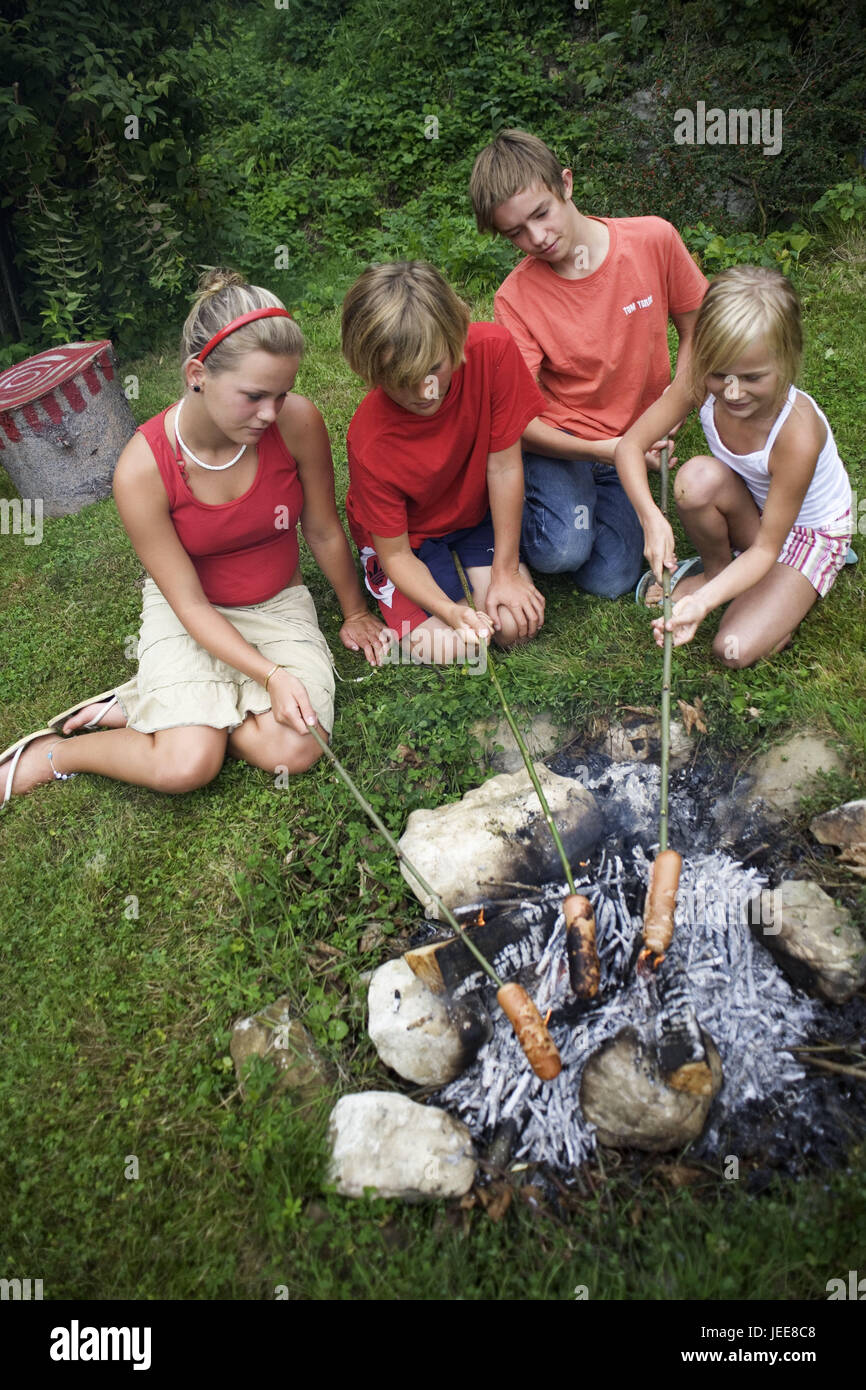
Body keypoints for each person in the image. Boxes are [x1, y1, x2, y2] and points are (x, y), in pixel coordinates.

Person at [1, 269, 386, 805]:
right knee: (187, 765)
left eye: (282, 393)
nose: (270, 413)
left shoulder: (297, 424)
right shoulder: (142, 469)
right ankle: (56, 751)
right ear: (197, 373)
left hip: (277, 604)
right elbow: (186, 602)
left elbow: (321, 528)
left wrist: (354, 611)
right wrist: (270, 675)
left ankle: (158, 704)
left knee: (298, 747)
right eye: (254, 396)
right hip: (190, 612)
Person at [469, 128, 709, 598]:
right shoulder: (514, 298)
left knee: (610, 578)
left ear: (566, 184)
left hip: (635, 445)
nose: (536, 238)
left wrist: (672, 404)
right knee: (562, 550)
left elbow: (698, 329)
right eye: (515, 232)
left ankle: (577, 508)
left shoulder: (653, 239)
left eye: (541, 214)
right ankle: (494, 519)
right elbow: (515, 422)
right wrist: (610, 449)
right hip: (563, 445)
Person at [614, 265, 853, 667]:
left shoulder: (797, 434)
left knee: (732, 649)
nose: (733, 392)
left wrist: (702, 605)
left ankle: (781, 599)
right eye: (719, 374)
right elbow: (629, 447)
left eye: (753, 377)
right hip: (758, 513)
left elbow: (765, 550)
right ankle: (717, 571)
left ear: (788, 359)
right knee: (695, 479)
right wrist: (651, 518)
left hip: (807, 533)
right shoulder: (698, 381)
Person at [341, 261, 547, 663]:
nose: (425, 391)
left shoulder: (493, 351)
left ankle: (487, 574)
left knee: (512, 627)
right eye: (401, 377)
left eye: (434, 367)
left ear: (456, 333)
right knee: (454, 647)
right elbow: (397, 555)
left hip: (473, 515)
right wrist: (450, 611)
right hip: (406, 543)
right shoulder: (369, 440)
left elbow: (504, 467)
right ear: (368, 368)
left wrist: (505, 571)